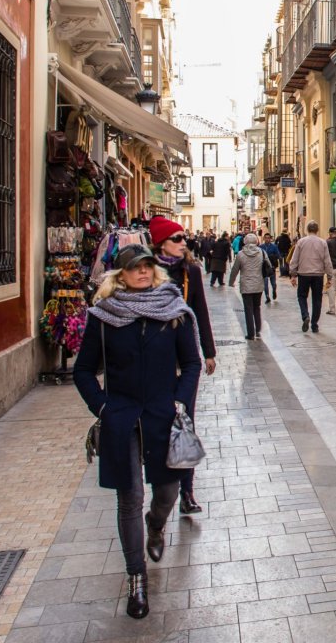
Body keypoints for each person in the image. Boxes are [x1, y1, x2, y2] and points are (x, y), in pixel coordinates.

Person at [71, 244, 201, 620]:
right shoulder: (105, 315)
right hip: (122, 418)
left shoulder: (174, 311)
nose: (143, 272)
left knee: (169, 490)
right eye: (135, 267)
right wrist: (103, 407)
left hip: (163, 415)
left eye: (147, 266)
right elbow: (83, 371)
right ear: (121, 275)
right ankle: (136, 578)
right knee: (129, 498)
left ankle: (155, 525)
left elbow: (191, 363)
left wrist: (179, 401)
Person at [149, 216, 216, 515]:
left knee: (185, 421)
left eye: (183, 237)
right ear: (160, 243)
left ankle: (187, 491)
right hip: (155, 357)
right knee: (158, 423)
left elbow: (200, 310)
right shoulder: (146, 271)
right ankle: (161, 489)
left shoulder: (191, 271)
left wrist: (209, 352)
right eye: (176, 238)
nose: (183, 242)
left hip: (185, 357)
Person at [288, 221, 334, 333]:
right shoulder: (322, 242)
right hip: (318, 275)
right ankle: (314, 324)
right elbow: (327, 260)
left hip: (303, 274)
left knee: (302, 296)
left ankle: (305, 316)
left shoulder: (301, 242)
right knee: (317, 299)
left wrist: (293, 274)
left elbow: (294, 259)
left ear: (307, 230)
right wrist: (329, 276)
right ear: (317, 230)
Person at [228, 233, 270, 340]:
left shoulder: (241, 254)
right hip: (258, 285)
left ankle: (250, 333)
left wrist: (231, 282)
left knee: (248, 309)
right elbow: (268, 264)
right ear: (256, 241)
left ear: (245, 242)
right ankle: (258, 331)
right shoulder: (262, 252)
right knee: (257, 307)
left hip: (246, 286)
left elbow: (235, 269)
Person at [260, 233, 282, 305]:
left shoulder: (274, 247)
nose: (267, 239)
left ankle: (274, 291)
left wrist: (276, 258)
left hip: (272, 267)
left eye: (268, 238)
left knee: (273, 283)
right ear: (264, 239)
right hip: (264, 268)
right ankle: (267, 297)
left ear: (270, 239)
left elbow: (278, 255)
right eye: (266, 238)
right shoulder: (261, 247)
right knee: (265, 284)